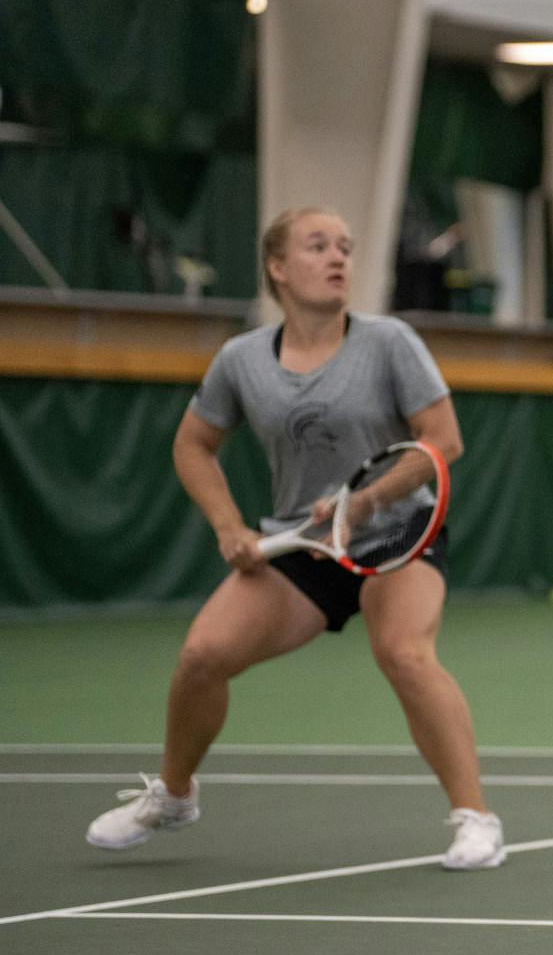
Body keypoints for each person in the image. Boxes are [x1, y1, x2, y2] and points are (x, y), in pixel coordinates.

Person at [84, 207, 504, 868]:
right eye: (317, 246)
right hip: (302, 544)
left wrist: (363, 500)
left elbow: (442, 441)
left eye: (345, 246)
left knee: (404, 653)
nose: (338, 257)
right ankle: (174, 793)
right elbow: (194, 445)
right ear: (278, 268)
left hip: (396, 534)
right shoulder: (241, 360)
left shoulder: (390, 342)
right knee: (201, 656)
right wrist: (229, 526)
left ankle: (475, 817)